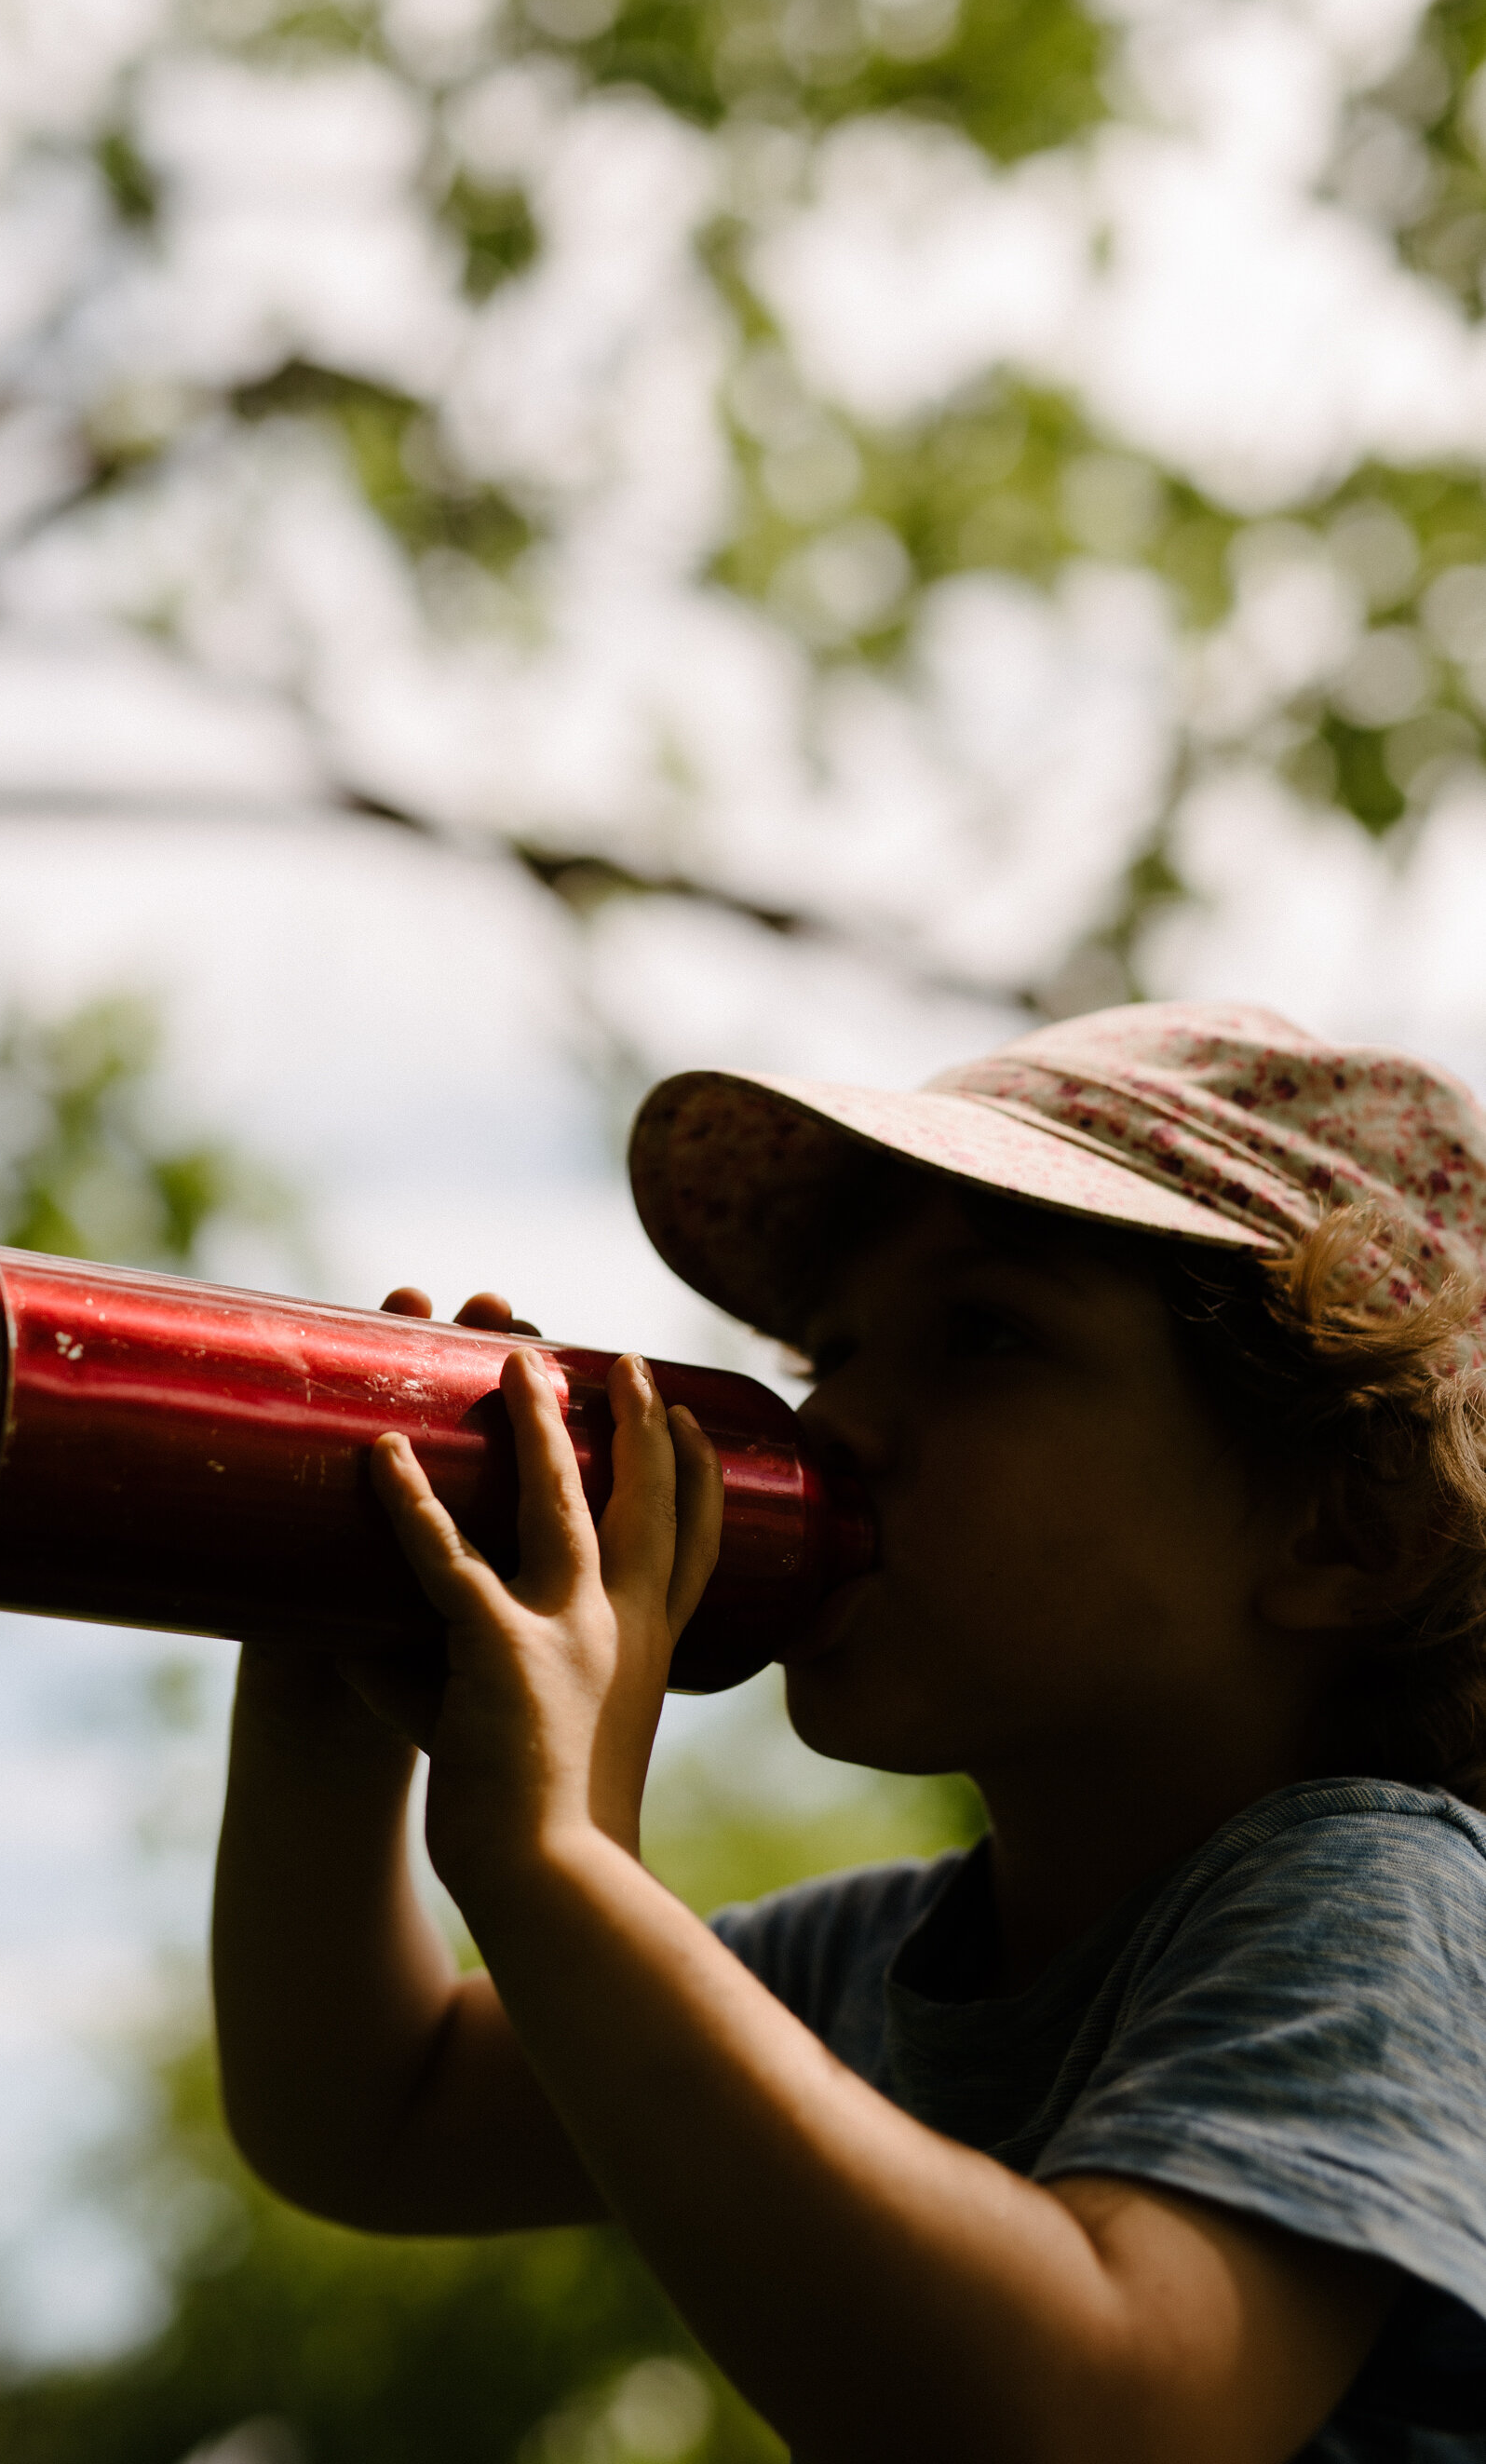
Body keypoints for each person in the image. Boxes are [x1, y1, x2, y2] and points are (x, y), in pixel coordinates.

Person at [210, 1003, 1486, 2464]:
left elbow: (1108, 2412)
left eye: (984, 1334)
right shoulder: (877, 1970)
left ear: (1351, 1524)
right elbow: (373, 2107)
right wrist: (327, 1678)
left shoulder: (1385, 1907)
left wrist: (562, 1858)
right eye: (831, 1349)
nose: (837, 1420)